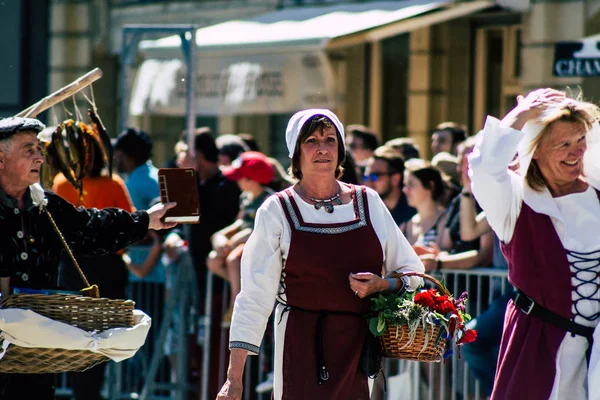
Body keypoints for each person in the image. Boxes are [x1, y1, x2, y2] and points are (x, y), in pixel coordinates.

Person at [216, 109, 424, 400]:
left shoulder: (368, 202)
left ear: (340, 151)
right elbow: (254, 297)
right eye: (311, 140)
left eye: (330, 139)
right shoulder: (277, 210)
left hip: (357, 349)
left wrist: (382, 285)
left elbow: (412, 273)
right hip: (299, 346)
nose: (323, 148)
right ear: (296, 153)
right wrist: (233, 379)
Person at [0, 117, 176, 399]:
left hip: (33, 350)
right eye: (28, 150)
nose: (40, 157)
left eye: (38, 148)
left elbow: (90, 226)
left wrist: (145, 221)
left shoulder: (43, 204)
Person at [468, 88, 600, 399]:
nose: (575, 152)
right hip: (538, 346)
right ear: (535, 151)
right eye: (563, 144)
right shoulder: (516, 202)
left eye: (580, 140)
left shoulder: (597, 194)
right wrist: (522, 114)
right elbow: (485, 170)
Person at [53, 139, 136, 400]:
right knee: (100, 339)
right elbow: (129, 227)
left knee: (78, 338)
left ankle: (85, 391)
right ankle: (89, 391)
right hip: (102, 268)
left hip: (76, 269)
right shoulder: (111, 183)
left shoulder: (62, 183)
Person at [207, 151, 275, 324]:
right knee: (213, 260)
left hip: (258, 244)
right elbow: (240, 222)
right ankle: (248, 289)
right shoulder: (244, 197)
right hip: (241, 240)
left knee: (233, 259)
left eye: (240, 177)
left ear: (252, 180)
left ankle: (237, 305)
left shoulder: (268, 199)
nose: (236, 181)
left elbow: (258, 228)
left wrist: (235, 240)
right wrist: (221, 235)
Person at [363, 146, 416, 225]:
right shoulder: (365, 211)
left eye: (375, 176)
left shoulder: (414, 211)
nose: (369, 182)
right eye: (366, 177)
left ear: (395, 179)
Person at [400, 162, 448, 249]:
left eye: (411, 184)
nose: (405, 190)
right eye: (405, 185)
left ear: (430, 185)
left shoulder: (445, 221)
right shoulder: (405, 227)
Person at [113, 127, 159, 211]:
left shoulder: (132, 185)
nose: (115, 157)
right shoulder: (158, 175)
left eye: (118, 153)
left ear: (129, 157)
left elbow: (132, 221)